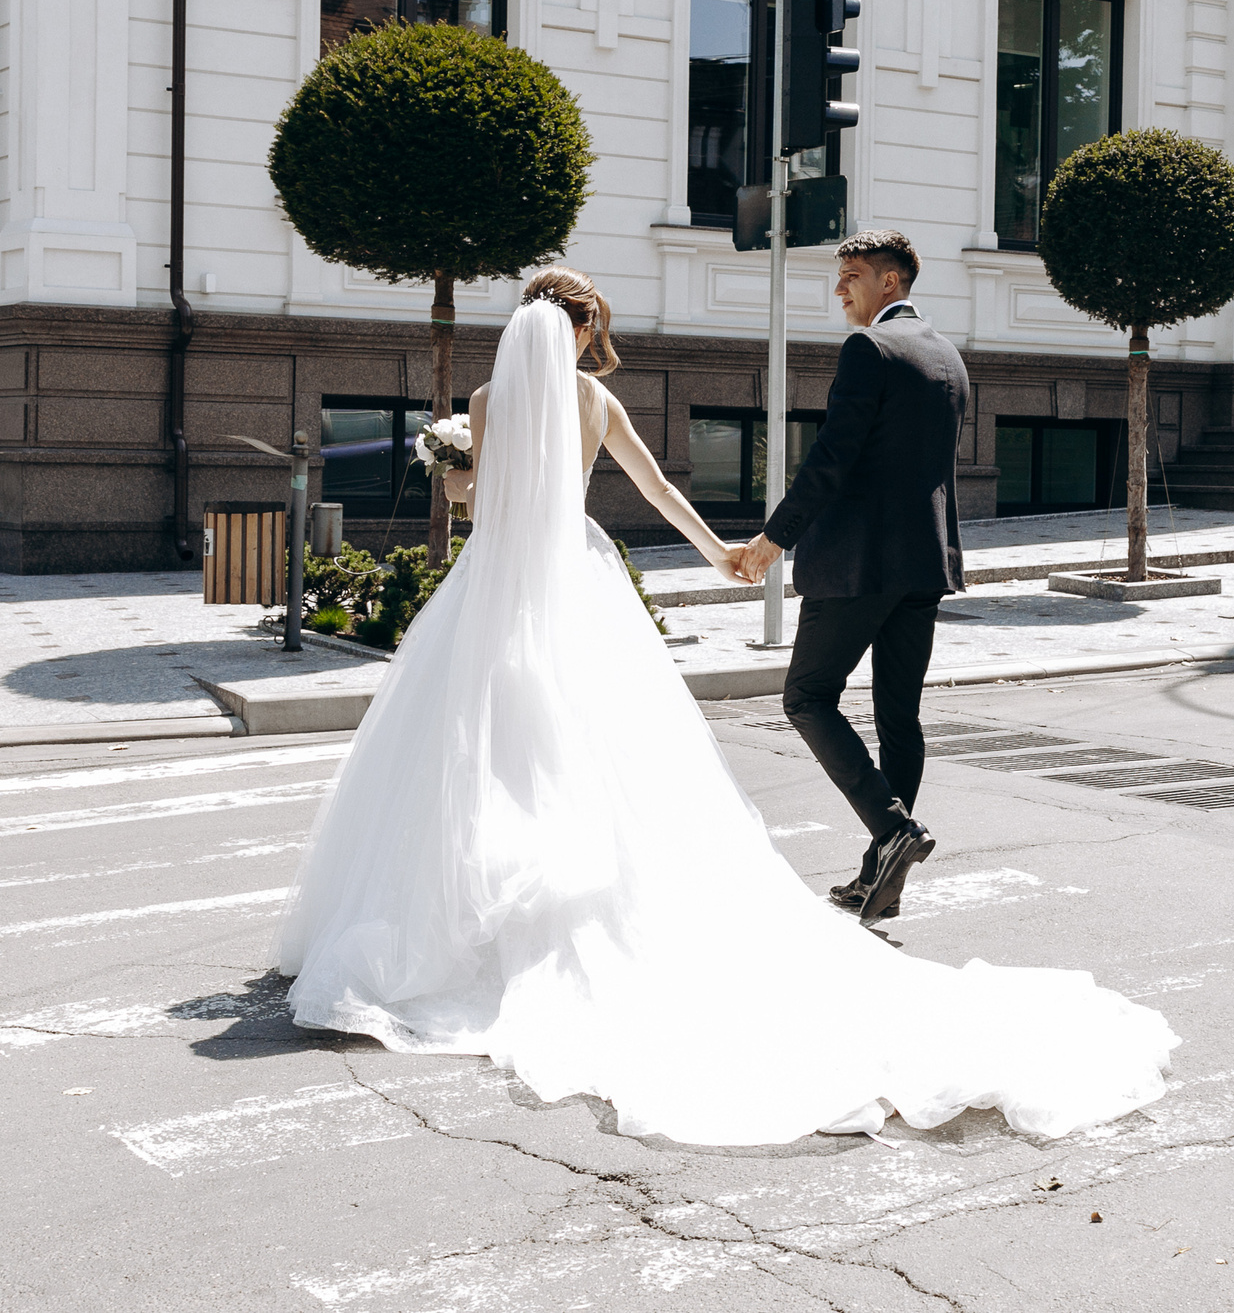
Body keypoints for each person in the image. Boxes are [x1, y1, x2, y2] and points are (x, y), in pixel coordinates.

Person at [270, 266, 1175, 1148]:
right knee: (595, 746)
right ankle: (604, 900)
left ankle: (462, 920)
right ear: (581, 330)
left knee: (473, 745)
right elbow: (660, 490)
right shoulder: (596, 404)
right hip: (575, 584)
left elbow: (476, 504)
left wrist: (453, 469)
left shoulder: (482, 403)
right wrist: (723, 555)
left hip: (489, 589)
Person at [731, 230, 965, 926]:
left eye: (853, 276)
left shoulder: (871, 348)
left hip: (860, 563)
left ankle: (893, 831)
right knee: (900, 717)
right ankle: (878, 878)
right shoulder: (946, 353)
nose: (841, 289)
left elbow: (833, 458)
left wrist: (774, 538)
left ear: (890, 282)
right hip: (925, 561)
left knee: (806, 696)